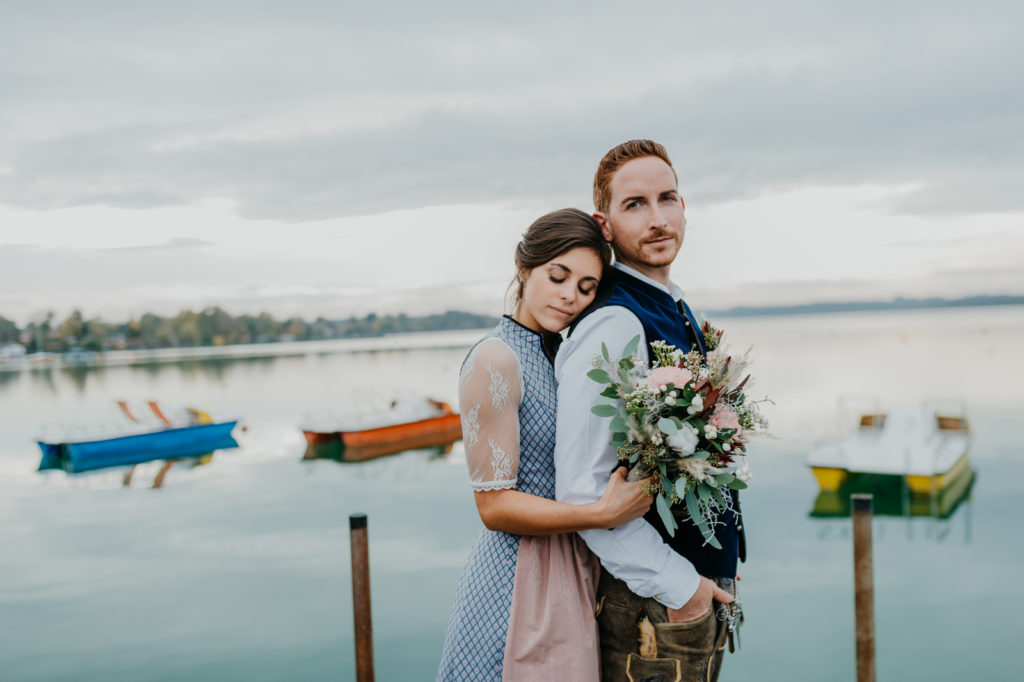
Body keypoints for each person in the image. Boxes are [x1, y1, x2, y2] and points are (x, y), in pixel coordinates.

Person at [437, 208, 654, 682]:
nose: (569, 296)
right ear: (524, 268)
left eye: (586, 287)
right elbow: (493, 507)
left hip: (570, 566)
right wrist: (600, 514)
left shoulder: (560, 356)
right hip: (516, 584)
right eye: (558, 276)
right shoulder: (496, 358)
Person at [554, 140, 744, 682]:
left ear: (685, 207)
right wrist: (683, 592)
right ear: (605, 224)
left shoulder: (673, 304)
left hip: (686, 597)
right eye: (635, 204)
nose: (658, 219)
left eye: (668, 198)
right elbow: (584, 490)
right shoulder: (615, 322)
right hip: (655, 609)